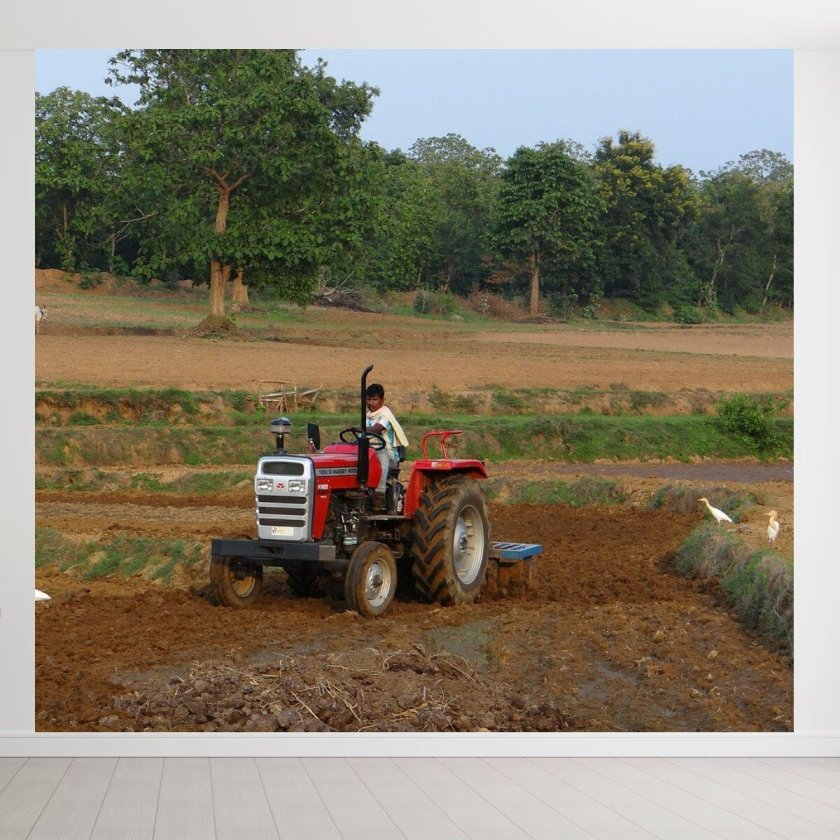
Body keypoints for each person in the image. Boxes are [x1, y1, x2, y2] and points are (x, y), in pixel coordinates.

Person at [364, 382, 409, 498]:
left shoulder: (385, 415)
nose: (371, 403)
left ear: (382, 400)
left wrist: (360, 430)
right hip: (370, 455)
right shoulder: (368, 416)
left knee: (381, 453)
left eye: (375, 400)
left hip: (389, 457)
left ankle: (380, 492)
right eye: (368, 399)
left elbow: (376, 429)